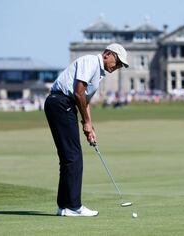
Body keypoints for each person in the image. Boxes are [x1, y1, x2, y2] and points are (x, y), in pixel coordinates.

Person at [44, 43, 129, 217]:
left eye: (121, 65)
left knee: (69, 157)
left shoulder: (98, 74)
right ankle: (74, 207)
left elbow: (84, 101)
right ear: (107, 54)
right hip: (61, 103)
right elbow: (78, 93)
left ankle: (64, 206)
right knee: (73, 157)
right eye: (117, 61)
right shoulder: (91, 61)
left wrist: (89, 127)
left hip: (62, 105)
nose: (118, 66)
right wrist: (87, 122)